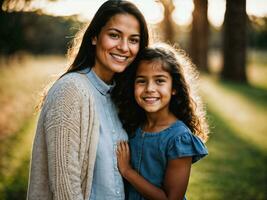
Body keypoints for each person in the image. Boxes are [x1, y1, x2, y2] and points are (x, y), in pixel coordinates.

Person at [27, 0, 149, 199]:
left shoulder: (118, 95)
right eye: (114, 35)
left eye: (134, 40)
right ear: (94, 37)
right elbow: (65, 188)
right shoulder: (71, 90)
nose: (124, 47)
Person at [115, 43, 209, 200]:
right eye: (141, 81)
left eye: (159, 81)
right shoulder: (133, 125)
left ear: (174, 87)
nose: (150, 88)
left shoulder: (179, 139)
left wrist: (127, 171)